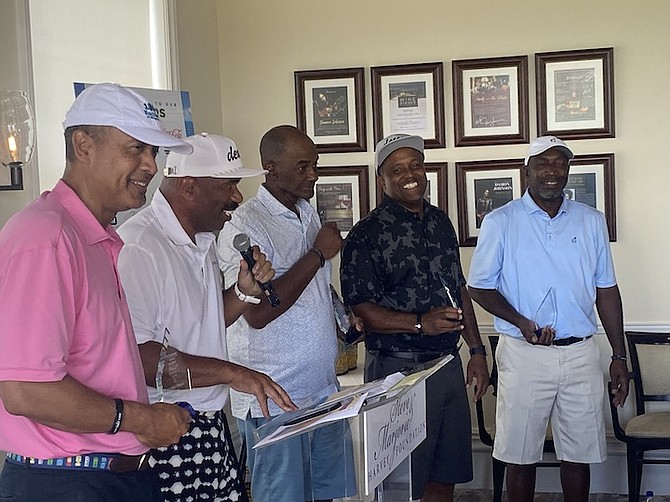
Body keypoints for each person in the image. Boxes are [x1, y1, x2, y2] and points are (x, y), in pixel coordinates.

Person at [0, 82, 193, 501]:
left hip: (111, 476)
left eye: (153, 152)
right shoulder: (46, 236)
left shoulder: (95, 237)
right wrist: (140, 419)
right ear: (83, 146)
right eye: (135, 149)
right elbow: (25, 389)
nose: (150, 165)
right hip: (66, 482)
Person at [117, 132, 297, 501]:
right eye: (229, 184)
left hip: (208, 424)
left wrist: (245, 291)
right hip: (166, 433)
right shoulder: (139, 247)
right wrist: (234, 373)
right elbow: (138, 356)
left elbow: (202, 326)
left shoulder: (201, 239)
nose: (237, 197)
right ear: (188, 187)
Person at [467, 135, 629, 502]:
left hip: (581, 353)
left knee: (579, 454)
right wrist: (521, 321)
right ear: (527, 171)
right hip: (524, 354)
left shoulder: (591, 221)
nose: (552, 171)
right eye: (543, 163)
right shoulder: (501, 221)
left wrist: (619, 357)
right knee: (519, 455)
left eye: (560, 163)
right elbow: (478, 287)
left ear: (568, 171)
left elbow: (607, 290)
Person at [340, 133, 489, 502]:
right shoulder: (366, 234)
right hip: (396, 370)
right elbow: (361, 310)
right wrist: (420, 322)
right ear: (382, 180)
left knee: (445, 473)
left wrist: (477, 350)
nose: (410, 174)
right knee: (399, 482)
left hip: (446, 366)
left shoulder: (441, 222)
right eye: (397, 169)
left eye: (416, 165)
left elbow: (459, 288)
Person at [216, 125, 357, 502]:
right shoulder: (243, 225)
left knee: (327, 492)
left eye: (315, 165)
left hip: (323, 388)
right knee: (284, 497)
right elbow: (257, 314)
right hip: (274, 395)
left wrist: (342, 316)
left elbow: (314, 288)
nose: (313, 174)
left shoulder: (306, 211)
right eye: (303, 166)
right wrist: (316, 255)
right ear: (271, 168)